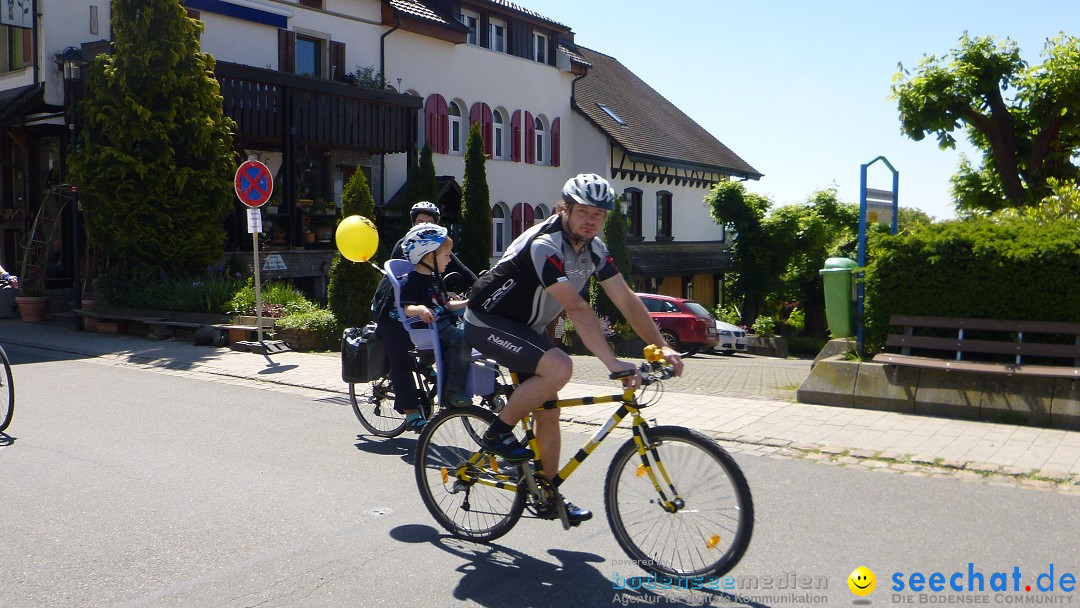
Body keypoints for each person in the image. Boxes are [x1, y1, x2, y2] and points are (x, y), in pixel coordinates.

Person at [464, 173, 683, 524]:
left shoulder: (595, 250)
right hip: (487, 321)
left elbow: (626, 299)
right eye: (583, 211)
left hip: (526, 329)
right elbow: (578, 309)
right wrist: (613, 364)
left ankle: (547, 495)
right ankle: (497, 434)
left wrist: (662, 346)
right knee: (560, 367)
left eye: (599, 214)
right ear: (565, 209)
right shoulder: (545, 245)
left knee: (548, 412)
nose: (591, 220)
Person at [370, 201, 443, 431]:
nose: (424, 226)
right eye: (420, 222)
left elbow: (456, 266)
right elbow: (414, 273)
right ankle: (411, 413)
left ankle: (424, 365)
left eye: (429, 223)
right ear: (412, 224)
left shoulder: (437, 250)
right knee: (400, 359)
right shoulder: (406, 246)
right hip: (390, 312)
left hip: (413, 314)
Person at [397, 223, 472, 412]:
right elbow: (407, 308)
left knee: (473, 331)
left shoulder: (435, 278)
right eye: (446, 255)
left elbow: (446, 305)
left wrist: (468, 303)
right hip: (430, 326)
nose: (449, 260)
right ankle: (452, 391)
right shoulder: (411, 280)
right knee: (461, 340)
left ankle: (485, 385)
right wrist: (420, 309)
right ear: (430, 256)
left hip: (446, 322)